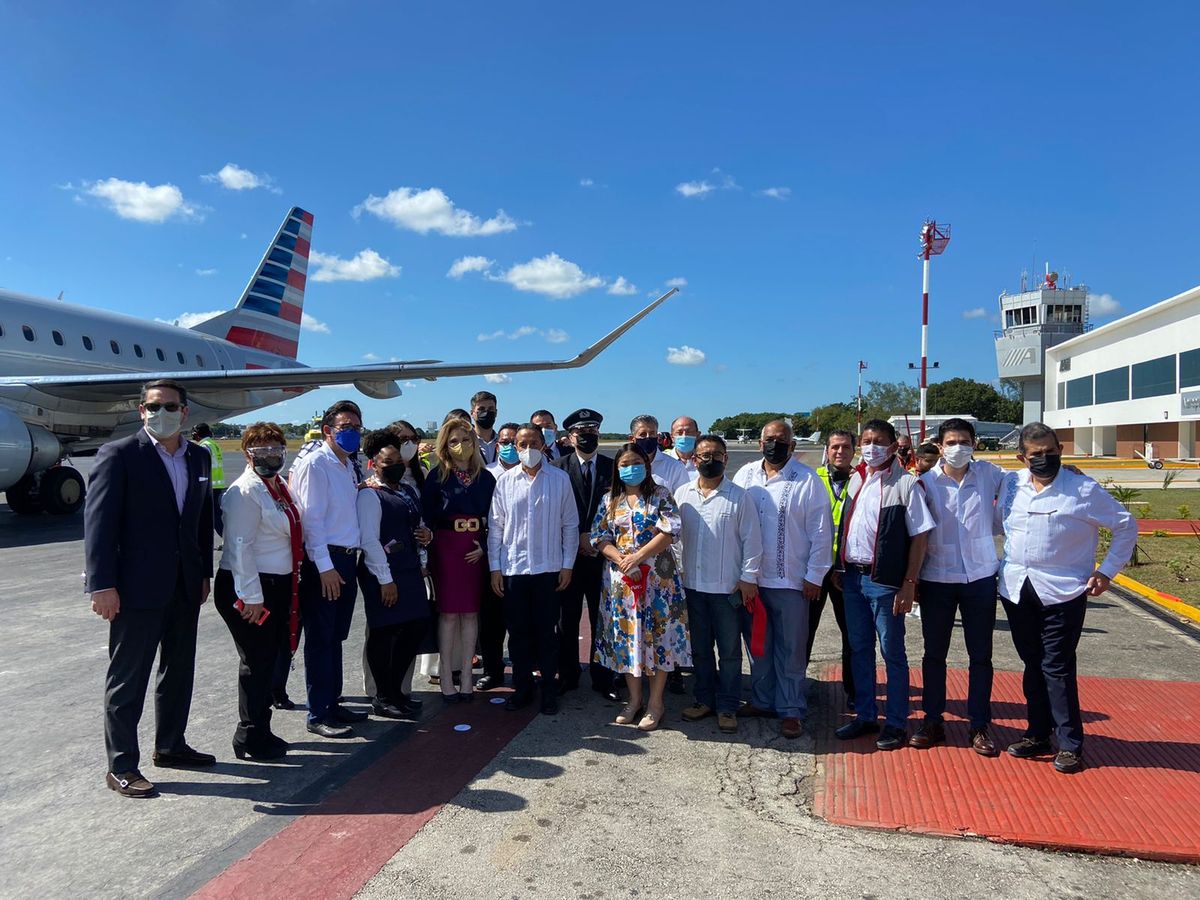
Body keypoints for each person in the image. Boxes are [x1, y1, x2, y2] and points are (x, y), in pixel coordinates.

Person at [85, 379, 214, 798]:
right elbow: (99, 525)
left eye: (171, 406)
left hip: (184, 584)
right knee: (128, 678)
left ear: (185, 412)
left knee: (178, 671)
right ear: (142, 410)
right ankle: (121, 765)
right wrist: (102, 584)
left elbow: (200, 520)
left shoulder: (197, 457)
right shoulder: (120, 455)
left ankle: (171, 745)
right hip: (135, 587)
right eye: (154, 406)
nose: (162, 413)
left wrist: (204, 573)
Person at [997, 423, 1137, 773]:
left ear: (1060, 449)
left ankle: (1071, 742)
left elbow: (1125, 525)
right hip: (1017, 588)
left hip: (1063, 591)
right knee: (1032, 665)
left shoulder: (1082, 489)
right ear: (1022, 457)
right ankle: (1037, 734)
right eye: (1036, 454)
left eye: (1050, 451)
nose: (1044, 459)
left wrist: (1106, 571)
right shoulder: (1012, 484)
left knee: (1056, 667)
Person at [834, 419, 934, 751]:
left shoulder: (906, 484)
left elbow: (920, 537)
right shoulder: (856, 479)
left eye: (878, 441)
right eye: (866, 440)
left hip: (885, 582)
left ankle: (895, 722)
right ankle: (865, 715)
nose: (871, 446)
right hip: (853, 578)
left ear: (893, 447)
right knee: (859, 650)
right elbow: (848, 526)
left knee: (892, 652)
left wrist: (909, 583)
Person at [911, 418, 1007, 756]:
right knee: (934, 654)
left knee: (981, 656)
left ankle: (979, 725)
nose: (957, 448)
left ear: (974, 443)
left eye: (963, 441)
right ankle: (933, 720)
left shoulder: (990, 475)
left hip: (979, 577)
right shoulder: (923, 483)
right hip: (937, 577)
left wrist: (1069, 472)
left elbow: (1026, 480)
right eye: (951, 442)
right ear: (939, 446)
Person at [733, 420, 832, 739]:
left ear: (791, 445)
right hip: (752, 581)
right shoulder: (745, 474)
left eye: (782, 440)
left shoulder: (807, 480)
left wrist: (815, 575)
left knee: (791, 648)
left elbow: (820, 531)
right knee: (758, 646)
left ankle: (791, 708)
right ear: (760, 443)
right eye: (769, 439)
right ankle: (762, 700)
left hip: (792, 580)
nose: (775, 444)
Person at [590, 443, 691, 732]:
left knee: (658, 637)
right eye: (624, 464)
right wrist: (621, 558)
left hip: (658, 581)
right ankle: (634, 700)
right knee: (628, 639)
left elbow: (670, 529)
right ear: (617, 469)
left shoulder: (659, 495)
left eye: (635, 462)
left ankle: (655, 703)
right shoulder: (610, 500)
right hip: (622, 583)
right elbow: (599, 536)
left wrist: (639, 556)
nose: (629, 468)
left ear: (646, 466)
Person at [214, 423, 298, 760]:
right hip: (249, 586)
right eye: (261, 450)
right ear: (248, 453)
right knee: (256, 660)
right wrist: (251, 597)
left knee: (269, 659)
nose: (271, 456)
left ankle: (262, 728)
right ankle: (248, 737)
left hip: (276, 585)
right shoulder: (244, 492)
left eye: (276, 449)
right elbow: (239, 547)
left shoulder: (278, 486)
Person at [290, 400, 368, 738]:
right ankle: (318, 713)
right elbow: (311, 521)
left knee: (336, 635)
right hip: (326, 561)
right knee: (321, 638)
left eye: (356, 427)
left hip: (347, 558)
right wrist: (323, 567)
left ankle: (332, 702)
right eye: (345, 427)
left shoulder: (348, 465)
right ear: (328, 431)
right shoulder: (316, 464)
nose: (352, 432)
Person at [488, 425, 579, 714]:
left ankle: (549, 690)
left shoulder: (560, 479)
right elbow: (496, 528)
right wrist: (495, 568)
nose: (528, 449)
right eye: (522, 443)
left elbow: (570, 525)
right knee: (518, 635)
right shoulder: (504, 482)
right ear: (514, 446)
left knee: (547, 635)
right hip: (514, 569)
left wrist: (567, 565)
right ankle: (522, 688)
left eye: (533, 443)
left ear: (543, 445)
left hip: (548, 569)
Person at [676, 435, 762, 735]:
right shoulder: (682, 494)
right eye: (703, 455)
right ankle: (704, 700)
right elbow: (674, 540)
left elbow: (753, 542)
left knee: (729, 652)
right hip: (693, 587)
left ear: (725, 459)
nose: (708, 460)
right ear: (694, 459)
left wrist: (748, 578)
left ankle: (727, 705)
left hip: (727, 590)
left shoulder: (740, 497)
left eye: (715, 454)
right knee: (699, 650)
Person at [358, 430, 434, 719]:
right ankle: (383, 695)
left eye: (398, 460)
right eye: (387, 461)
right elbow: (369, 540)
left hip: (410, 569)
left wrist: (427, 535)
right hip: (384, 574)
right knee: (384, 632)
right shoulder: (369, 494)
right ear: (374, 464)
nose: (395, 465)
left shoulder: (407, 490)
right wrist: (384, 579)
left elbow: (419, 521)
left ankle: (396, 691)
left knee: (414, 628)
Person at [422, 419, 496, 702]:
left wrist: (486, 547)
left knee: (471, 613)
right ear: (445, 445)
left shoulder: (485, 477)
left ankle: (467, 675)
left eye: (466, 440)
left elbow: (498, 519)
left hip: (475, 547)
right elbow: (427, 518)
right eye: (453, 441)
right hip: (447, 547)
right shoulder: (437, 476)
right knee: (449, 613)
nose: (461, 446)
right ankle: (445, 675)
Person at [553, 408, 619, 701]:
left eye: (592, 432)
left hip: (602, 557)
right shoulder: (557, 467)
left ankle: (602, 676)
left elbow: (620, 509)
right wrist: (578, 536)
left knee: (602, 618)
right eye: (581, 433)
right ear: (570, 437)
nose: (587, 437)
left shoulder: (613, 467)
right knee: (566, 619)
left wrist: (595, 538)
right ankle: (568, 674)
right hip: (568, 557)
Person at [806, 429, 857, 710]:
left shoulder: (863, 479)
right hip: (815, 568)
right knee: (804, 631)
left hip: (846, 570)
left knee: (852, 634)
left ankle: (854, 690)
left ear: (854, 449)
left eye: (846, 447)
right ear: (827, 449)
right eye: (835, 447)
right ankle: (795, 687)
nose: (840, 452)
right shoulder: (813, 479)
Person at [476, 421, 521, 690]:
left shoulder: (533, 474)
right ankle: (492, 670)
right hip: (491, 556)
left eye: (512, 442)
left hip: (520, 559)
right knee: (490, 623)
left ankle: (522, 667)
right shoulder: (485, 475)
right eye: (503, 442)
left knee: (518, 621)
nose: (508, 446)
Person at [629, 414, 690, 494]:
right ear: (632, 439)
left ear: (657, 437)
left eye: (652, 433)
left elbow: (683, 500)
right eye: (643, 434)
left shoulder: (675, 467)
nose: (648, 437)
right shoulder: (625, 466)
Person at [191, 423, 226, 538]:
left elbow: (201, 466)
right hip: (218, 484)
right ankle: (225, 539)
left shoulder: (204, 446)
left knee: (213, 516)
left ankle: (227, 540)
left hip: (210, 485)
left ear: (197, 434)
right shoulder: (213, 444)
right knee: (216, 515)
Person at [471, 391, 500, 465]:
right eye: (481, 409)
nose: (486, 412)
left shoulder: (503, 442)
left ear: (496, 413)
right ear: (472, 413)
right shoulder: (467, 442)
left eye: (491, 409)